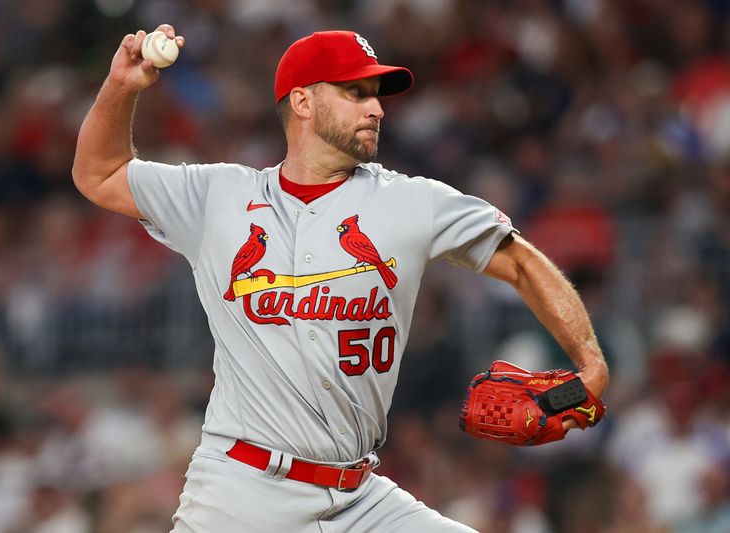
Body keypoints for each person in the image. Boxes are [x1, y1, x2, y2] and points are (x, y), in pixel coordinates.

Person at [72, 24, 609, 533]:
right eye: (355, 92)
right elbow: (99, 174)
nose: (376, 107)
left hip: (360, 497)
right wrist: (122, 87)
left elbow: (521, 261)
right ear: (303, 101)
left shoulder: (411, 201)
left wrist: (590, 365)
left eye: (376, 93)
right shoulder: (218, 196)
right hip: (242, 491)